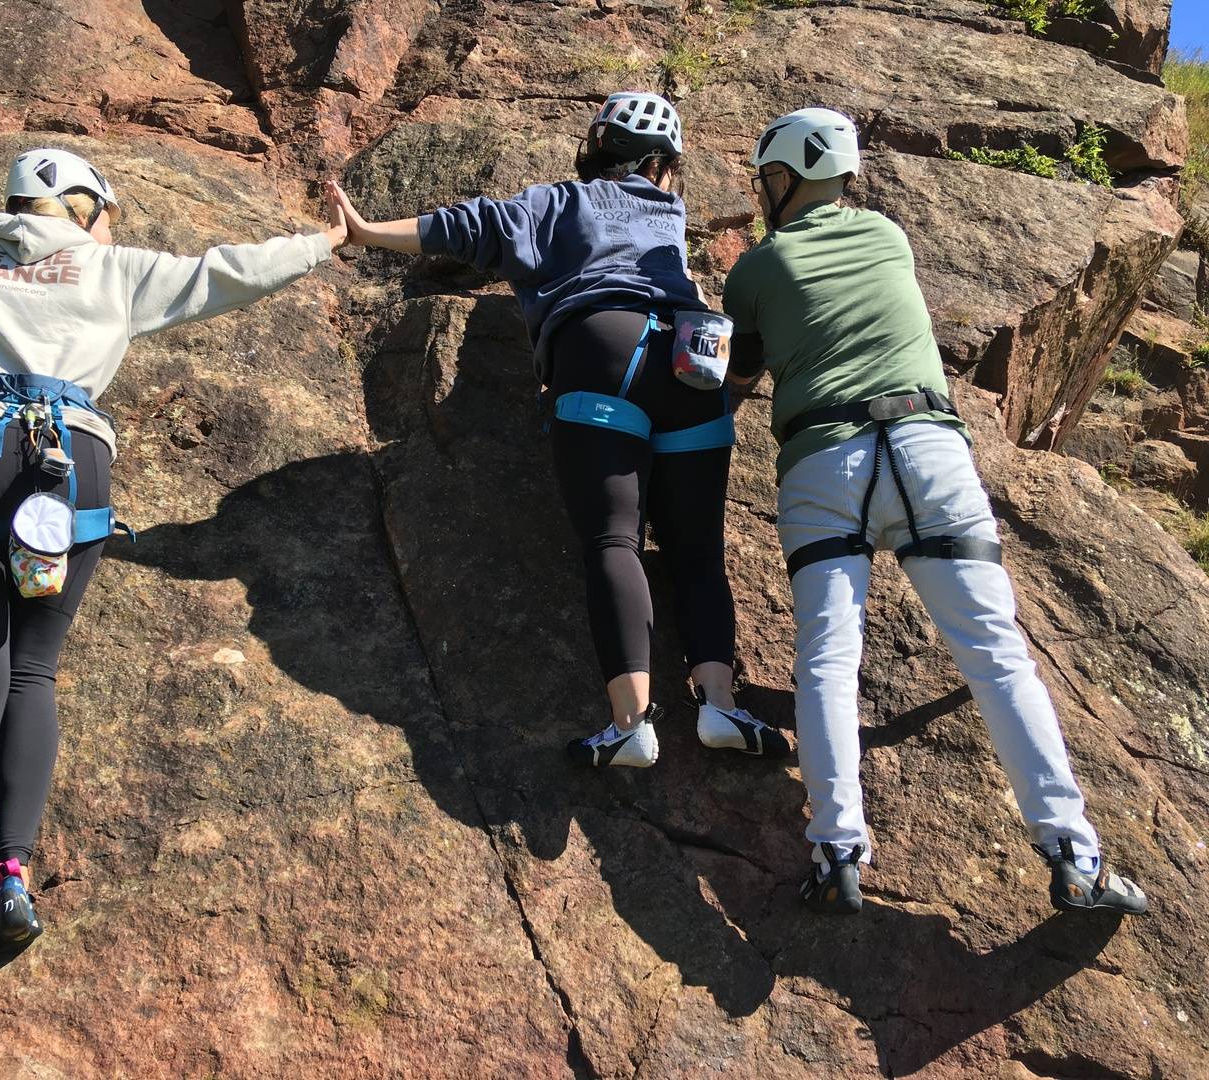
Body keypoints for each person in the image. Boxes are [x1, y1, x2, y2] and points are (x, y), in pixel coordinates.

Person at [0, 147, 346, 959]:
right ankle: (13, 876)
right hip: (66, 460)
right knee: (32, 673)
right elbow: (224, 273)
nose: (112, 228)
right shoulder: (110, 271)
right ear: (80, 205)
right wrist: (326, 240)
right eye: (107, 213)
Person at [721, 108, 1147, 915]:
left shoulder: (758, 267)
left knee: (827, 660)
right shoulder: (888, 237)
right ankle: (1073, 856)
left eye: (769, 178)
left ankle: (838, 848)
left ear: (789, 176)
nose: (764, 191)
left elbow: (737, 378)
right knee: (996, 654)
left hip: (822, 462)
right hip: (928, 446)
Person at [329, 93, 788, 768]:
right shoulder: (669, 212)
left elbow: (473, 227)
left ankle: (632, 722)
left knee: (614, 537)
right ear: (663, 165)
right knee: (696, 550)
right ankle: (720, 706)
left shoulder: (561, 203)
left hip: (604, 351)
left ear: (595, 149)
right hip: (693, 361)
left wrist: (368, 232)